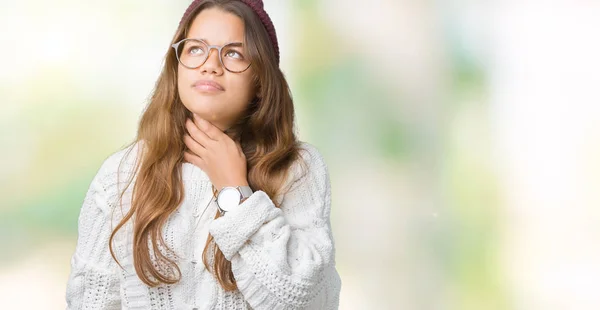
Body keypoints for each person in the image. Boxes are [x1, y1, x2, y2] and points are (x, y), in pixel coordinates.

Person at [64, 0, 342, 309]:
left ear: (260, 81)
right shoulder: (122, 174)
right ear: (177, 65)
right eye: (196, 49)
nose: (211, 64)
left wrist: (235, 191)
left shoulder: (296, 169)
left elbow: (306, 300)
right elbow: (90, 301)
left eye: (234, 53)